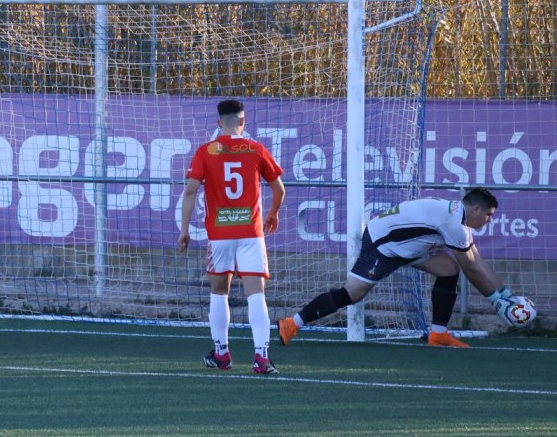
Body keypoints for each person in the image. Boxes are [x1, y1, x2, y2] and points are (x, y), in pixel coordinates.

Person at [278, 187, 516, 348]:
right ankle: (292, 323)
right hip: (384, 244)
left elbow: (476, 259)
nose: (489, 221)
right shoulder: (453, 222)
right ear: (475, 210)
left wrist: (507, 296)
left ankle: (438, 333)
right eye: (489, 215)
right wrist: (497, 302)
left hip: (411, 246)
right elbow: (472, 269)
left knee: (448, 270)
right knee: (354, 293)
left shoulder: (458, 218)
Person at [178, 99, 286, 375]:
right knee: (256, 295)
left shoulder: (206, 151)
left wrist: (185, 229)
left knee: (218, 292)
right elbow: (279, 189)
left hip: (220, 234)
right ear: (243, 122)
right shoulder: (256, 149)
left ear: (218, 123)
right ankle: (261, 358)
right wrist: (272, 213)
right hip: (251, 232)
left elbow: (190, 191)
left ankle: (222, 354)